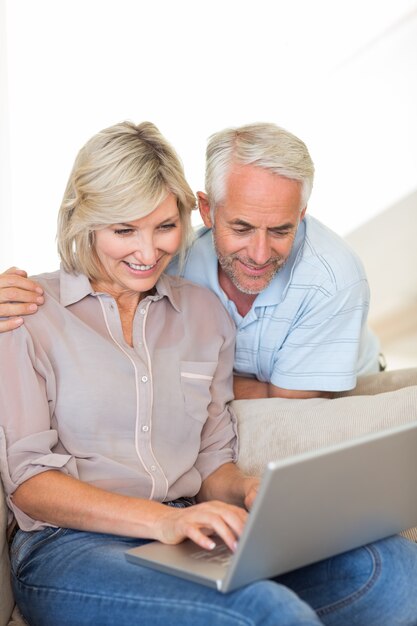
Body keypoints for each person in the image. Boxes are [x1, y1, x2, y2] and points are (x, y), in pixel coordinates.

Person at [1, 122, 417, 626]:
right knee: (263, 611)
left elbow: (212, 462)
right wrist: (168, 521)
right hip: (73, 547)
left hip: (186, 530)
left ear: (188, 217)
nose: (149, 251)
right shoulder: (27, 313)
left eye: (163, 226)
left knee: (391, 568)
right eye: (124, 230)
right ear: (83, 222)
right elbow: (30, 484)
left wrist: (247, 492)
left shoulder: (203, 313)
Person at [0, 122, 380, 401]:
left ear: (301, 215)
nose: (260, 254)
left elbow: (291, 408)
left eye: (280, 230)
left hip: (333, 395)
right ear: (207, 211)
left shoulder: (333, 278)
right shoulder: (172, 259)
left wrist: (186, 381)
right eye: (242, 228)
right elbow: (94, 281)